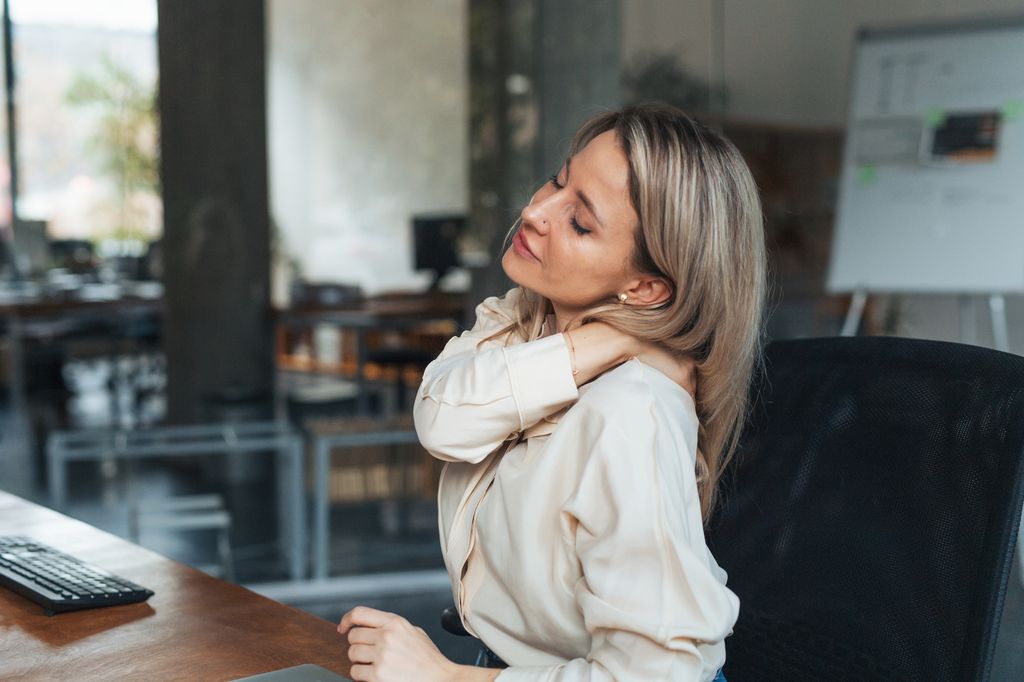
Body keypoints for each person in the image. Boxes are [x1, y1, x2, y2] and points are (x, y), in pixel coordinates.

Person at [338, 103, 767, 681]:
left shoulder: (632, 413)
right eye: (557, 182)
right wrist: (612, 339)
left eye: (580, 222)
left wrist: (445, 678)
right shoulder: (523, 321)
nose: (536, 211)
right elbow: (444, 419)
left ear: (644, 287)